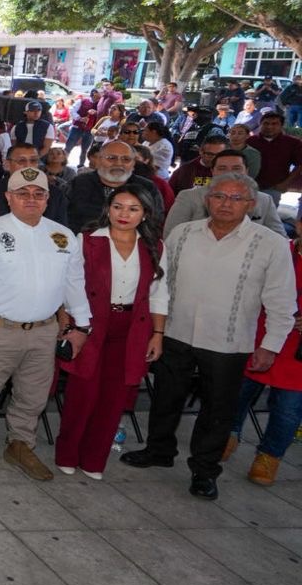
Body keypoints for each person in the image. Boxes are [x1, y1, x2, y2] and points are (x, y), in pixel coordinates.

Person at [120, 172, 295, 500]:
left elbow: (282, 301)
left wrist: (270, 345)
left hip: (228, 341)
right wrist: (154, 331)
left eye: (235, 198)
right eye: (219, 196)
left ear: (251, 205)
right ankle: (159, 450)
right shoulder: (183, 234)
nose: (226, 204)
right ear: (206, 199)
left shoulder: (270, 244)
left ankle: (204, 470)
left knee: (217, 409)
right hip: (176, 332)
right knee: (166, 397)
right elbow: (160, 284)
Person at [0, 167, 90, 481]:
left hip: (45, 331)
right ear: (8, 197)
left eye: (38, 194)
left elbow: (74, 283)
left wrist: (82, 324)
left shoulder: (63, 236)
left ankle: (19, 445)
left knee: (33, 396)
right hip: (1, 330)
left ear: (47, 199)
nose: (31, 199)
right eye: (22, 193)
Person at [53, 180, 168, 480]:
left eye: (133, 208)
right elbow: (70, 284)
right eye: (118, 206)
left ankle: (94, 459)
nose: (124, 214)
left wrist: (158, 333)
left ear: (145, 213)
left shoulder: (154, 246)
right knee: (83, 392)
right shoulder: (88, 240)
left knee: (114, 396)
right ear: (108, 208)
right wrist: (69, 323)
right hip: (90, 323)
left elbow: (159, 293)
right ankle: (67, 454)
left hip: (132, 327)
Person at [229, 214, 302, 485]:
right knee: (237, 393)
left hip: (297, 355)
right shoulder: (279, 250)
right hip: (259, 336)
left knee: (288, 410)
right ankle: (228, 434)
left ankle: (268, 457)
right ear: (299, 224)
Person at [165, 151, 286, 236]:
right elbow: (171, 233)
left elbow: (280, 238)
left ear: (247, 171)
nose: (229, 173)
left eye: (236, 168)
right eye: (222, 168)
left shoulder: (264, 200)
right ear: (212, 171)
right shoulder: (189, 197)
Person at [0, 142, 71, 228]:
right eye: (21, 161)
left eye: (33, 161)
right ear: (7, 164)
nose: (28, 166)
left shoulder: (55, 194)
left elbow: (60, 232)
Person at [246, 108, 302, 202]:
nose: (269, 127)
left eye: (274, 124)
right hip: (249, 187)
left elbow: (299, 165)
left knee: (268, 215)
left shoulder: (293, 143)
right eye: (266, 123)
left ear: (281, 126)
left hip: (274, 188)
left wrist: (286, 183)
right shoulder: (250, 141)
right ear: (260, 125)